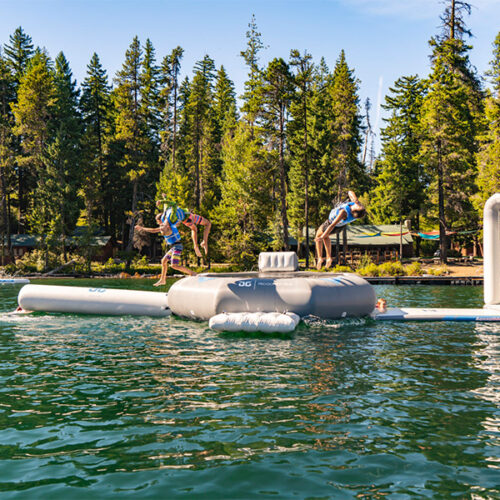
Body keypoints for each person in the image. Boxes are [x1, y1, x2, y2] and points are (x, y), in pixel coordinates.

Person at [135, 211, 196, 286]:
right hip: (174, 247)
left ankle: (192, 273)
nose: (159, 224)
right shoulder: (166, 226)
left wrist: (142, 228)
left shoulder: (167, 226)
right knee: (163, 261)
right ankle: (163, 280)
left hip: (177, 246)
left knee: (174, 265)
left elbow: (153, 230)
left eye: (158, 222)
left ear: (161, 220)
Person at [315, 190, 366, 270]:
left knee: (319, 236)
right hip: (340, 227)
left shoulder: (343, 213)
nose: (358, 203)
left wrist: (322, 236)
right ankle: (328, 258)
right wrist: (354, 198)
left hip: (331, 225)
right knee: (326, 237)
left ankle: (320, 258)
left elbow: (332, 225)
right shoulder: (357, 209)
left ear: (354, 210)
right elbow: (351, 192)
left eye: (358, 205)